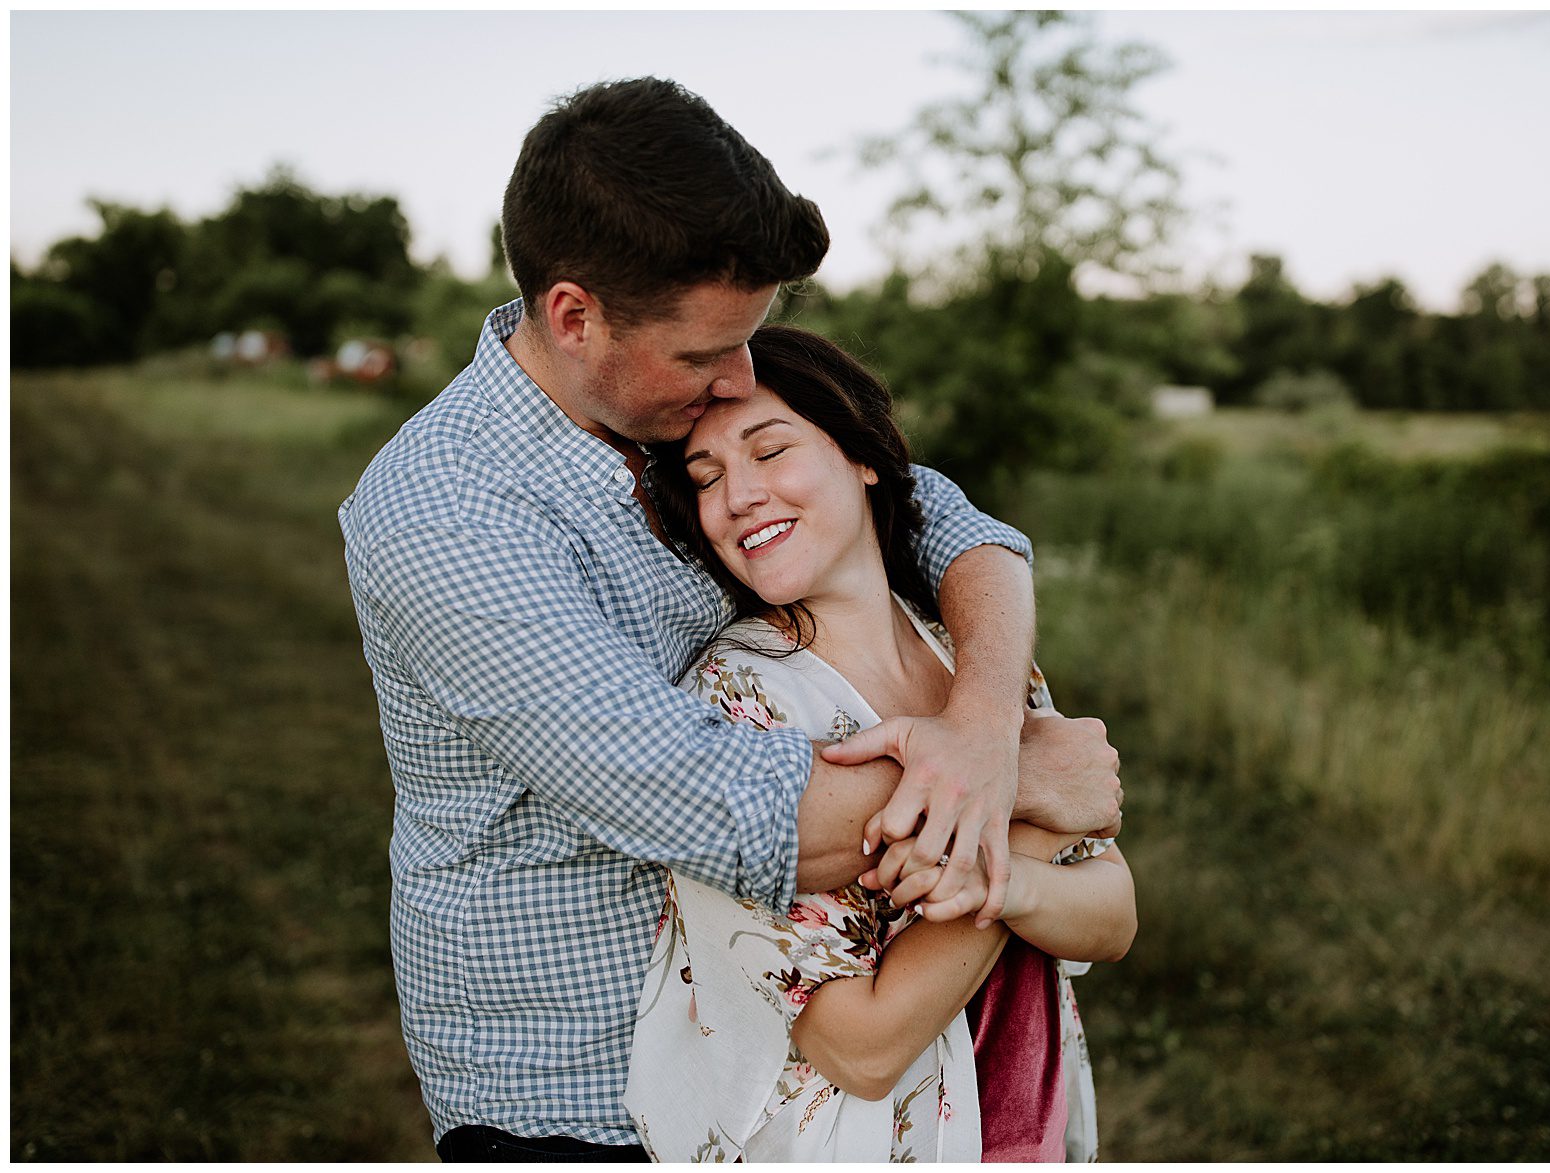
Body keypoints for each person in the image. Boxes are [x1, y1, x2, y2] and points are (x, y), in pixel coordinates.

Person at [337, 77, 1122, 1161]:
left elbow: (945, 520)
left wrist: (984, 726)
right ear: (574, 317)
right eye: (706, 353)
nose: (738, 378)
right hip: (585, 1096)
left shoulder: (672, 411)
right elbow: (719, 807)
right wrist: (1028, 778)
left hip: (795, 1097)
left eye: (750, 340)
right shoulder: (448, 513)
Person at [625, 325, 1136, 1162]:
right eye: (707, 476)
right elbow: (859, 1046)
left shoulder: (976, 660)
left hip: (1028, 1120)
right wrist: (1021, 810)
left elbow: (1114, 915)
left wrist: (997, 878)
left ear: (862, 454)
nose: (739, 494)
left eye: (770, 450)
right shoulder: (734, 705)